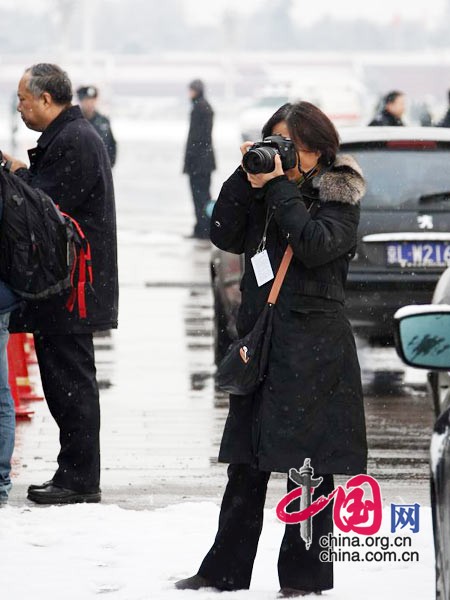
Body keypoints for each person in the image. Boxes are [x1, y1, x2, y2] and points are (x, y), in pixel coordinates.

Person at [176, 101, 367, 596]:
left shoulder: (338, 195)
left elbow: (315, 245)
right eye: (275, 142)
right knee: (246, 463)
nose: (282, 154)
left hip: (314, 351)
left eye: (293, 145)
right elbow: (223, 232)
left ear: (319, 150)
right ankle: (222, 572)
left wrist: (280, 187)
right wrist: (246, 177)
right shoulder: (264, 188)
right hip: (263, 342)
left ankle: (304, 581)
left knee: (309, 471)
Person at [3, 63, 118, 505]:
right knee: (66, 381)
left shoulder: (74, 140)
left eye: (23, 99)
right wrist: (18, 169)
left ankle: (79, 479)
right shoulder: (73, 136)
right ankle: (75, 473)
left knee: (71, 384)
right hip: (69, 285)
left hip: (73, 286)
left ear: (47, 100)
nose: (19, 107)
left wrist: (14, 177)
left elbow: (42, 207)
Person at [183, 79, 216, 239]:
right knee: (202, 196)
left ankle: (203, 228)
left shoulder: (200, 108)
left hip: (199, 163)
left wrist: (190, 162)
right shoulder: (203, 107)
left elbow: (197, 139)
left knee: (201, 197)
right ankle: (202, 227)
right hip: (203, 162)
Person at [77, 85, 117, 167]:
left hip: (100, 171)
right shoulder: (74, 121)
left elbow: (111, 145)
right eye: (87, 100)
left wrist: (108, 166)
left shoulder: (103, 121)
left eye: (92, 100)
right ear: (81, 101)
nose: (90, 103)